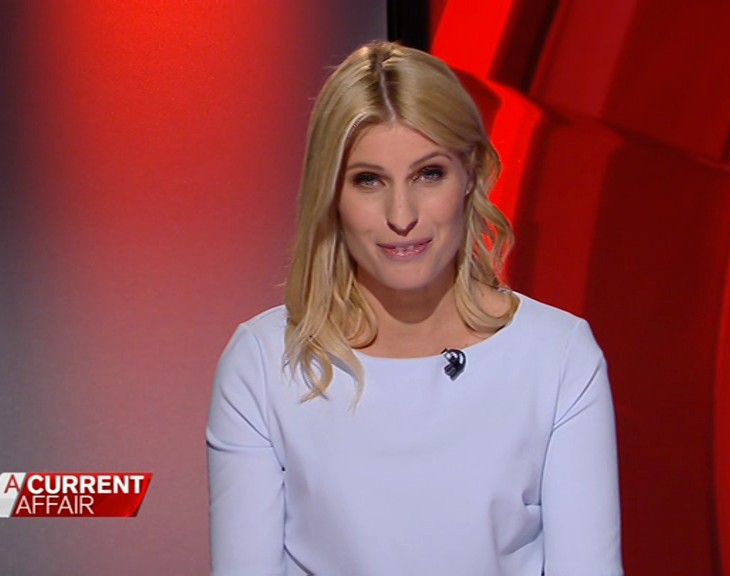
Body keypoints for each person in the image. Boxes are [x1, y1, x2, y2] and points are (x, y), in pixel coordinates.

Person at [207, 40, 622, 576]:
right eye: (368, 180)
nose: (401, 215)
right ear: (331, 193)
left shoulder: (558, 357)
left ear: (470, 173)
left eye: (429, 174)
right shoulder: (265, 364)